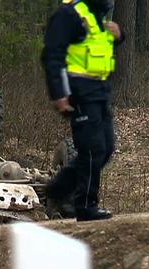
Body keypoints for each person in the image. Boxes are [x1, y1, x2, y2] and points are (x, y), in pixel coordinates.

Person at [42, 0, 124, 221]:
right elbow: (53, 55)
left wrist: (118, 37)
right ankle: (86, 206)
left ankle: (57, 190)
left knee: (106, 149)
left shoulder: (96, 17)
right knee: (92, 150)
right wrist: (59, 93)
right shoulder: (70, 14)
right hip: (79, 92)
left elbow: (95, 51)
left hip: (100, 92)